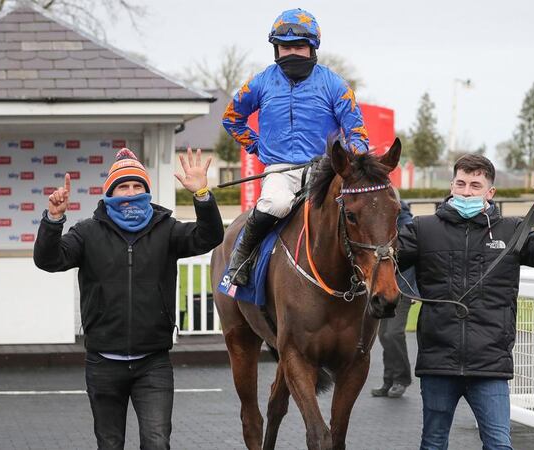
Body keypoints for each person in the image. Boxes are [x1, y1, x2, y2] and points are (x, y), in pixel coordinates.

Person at [33, 148, 224, 450]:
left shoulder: (167, 229)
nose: (131, 192)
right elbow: (48, 260)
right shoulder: (87, 232)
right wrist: (54, 220)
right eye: (123, 186)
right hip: (103, 363)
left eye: (138, 186)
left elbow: (209, 237)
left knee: (157, 442)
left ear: (146, 191)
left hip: (154, 363)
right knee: (109, 444)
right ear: (110, 191)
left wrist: (202, 194)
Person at [397, 154, 534, 450]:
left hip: (490, 364)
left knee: (499, 445)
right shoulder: (422, 229)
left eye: (475, 185)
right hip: (438, 362)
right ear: (452, 185)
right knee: (433, 443)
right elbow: (379, 258)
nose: (467, 191)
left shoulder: (512, 231)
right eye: (461, 183)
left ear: (490, 192)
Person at [222, 7, 369, 286]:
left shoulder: (336, 85)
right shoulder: (259, 82)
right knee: (275, 204)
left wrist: (355, 166)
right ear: (275, 49)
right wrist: (257, 147)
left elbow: (357, 133)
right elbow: (232, 119)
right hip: (280, 170)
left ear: (312, 49)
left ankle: (372, 272)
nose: (291, 53)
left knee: (359, 212)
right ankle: (240, 256)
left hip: (324, 169)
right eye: (284, 47)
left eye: (299, 46)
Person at [372, 197, 419, 399]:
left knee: (392, 333)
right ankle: (389, 380)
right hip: (384, 286)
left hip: (401, 287)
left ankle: (401, 379)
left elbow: (410, 241)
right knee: (384, 335)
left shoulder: (401, 215)